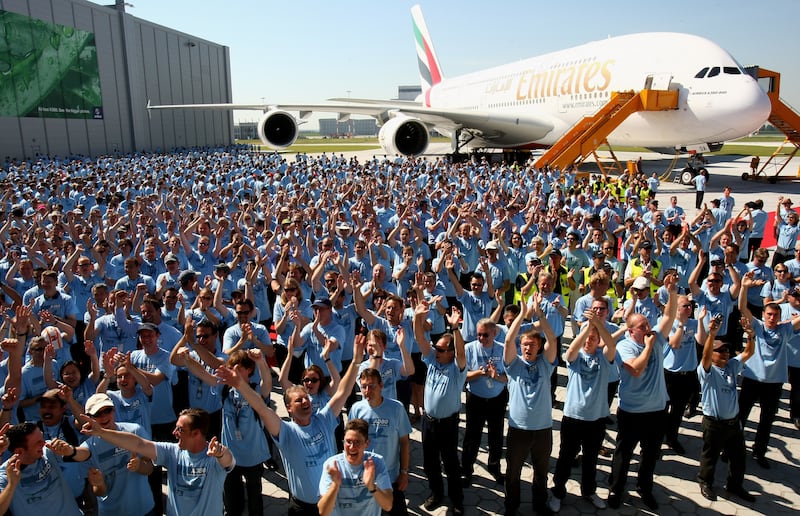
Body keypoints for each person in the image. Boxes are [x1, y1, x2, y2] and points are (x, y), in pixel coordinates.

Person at [215, 338, 365, 516]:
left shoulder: (324, 419)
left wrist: (356, 361)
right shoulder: (285, 431)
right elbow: (262, 409)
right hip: (302, 507)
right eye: (298, 399)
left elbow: (343, 391)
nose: (305, 400)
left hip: (333, 502)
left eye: (305, 398)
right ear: (289, 408)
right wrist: (239, 384)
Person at [607, 271, 678, 511]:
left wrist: (673, 291)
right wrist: (648, 348)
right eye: (643, 326)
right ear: (630, 330)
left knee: (649, 455)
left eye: (648, 324)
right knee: (623, 454)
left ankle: (644, 488)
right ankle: (616, 489)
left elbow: (669, 316)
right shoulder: (624, 347)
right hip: (632, 412)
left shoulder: (655, 337)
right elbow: (635, 370)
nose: (649, 328)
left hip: (657, 411)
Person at [81, 407, 235, 516]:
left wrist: (221, 454)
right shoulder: (172, 452)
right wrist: (101, 432)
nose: (174, 433)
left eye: (180, 429)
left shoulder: (214, 457)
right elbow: (139, 444)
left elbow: (228, 460)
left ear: (196, 433)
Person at [549, 308, 617, 512]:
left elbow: (611, 344)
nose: (589, 341)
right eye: (586, 338)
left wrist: (598, 324)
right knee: (565, 457)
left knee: (591, 458)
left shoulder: (604, 357)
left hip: (596, 418)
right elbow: (570, 352)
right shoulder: (575, 357)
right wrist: (588, 327)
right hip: (573, 416)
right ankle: (557, 492)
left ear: (599, 341)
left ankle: (588, 490)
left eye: (593, 338)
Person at [502, 294, 558, 516]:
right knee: (513, 473)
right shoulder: (513, 365)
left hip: (543, 428)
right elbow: (508, 340)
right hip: (519, 429)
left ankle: (539, 504)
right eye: (525, 344)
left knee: (541, 472)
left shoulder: (546, 364)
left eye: (532, 345)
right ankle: (511, 507)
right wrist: (524, 313)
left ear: (539, 347)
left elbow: (553, 340)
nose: (528, 348)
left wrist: (540, 314)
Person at [737, 271, 800, 469]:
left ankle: (759, 452)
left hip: (773, 384)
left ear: (781, 317)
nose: (772, 318)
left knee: (766, 421)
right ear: (763, 315)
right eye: (769, 314)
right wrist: (745, 287)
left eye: (775, 315)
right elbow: (742, 307)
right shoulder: (757, 326)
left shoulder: (785, 330)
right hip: (752, 379)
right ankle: (732, 449)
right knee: (740, 417)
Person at [412, 302, 466, 516]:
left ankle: (457, 500)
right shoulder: (432, 361)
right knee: (430, 462)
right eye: (437, 348)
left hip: (448, 424)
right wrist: (417, 317)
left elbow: (462, 354)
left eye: (442, 350)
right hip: (429, 421)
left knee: (451, 464)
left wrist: (455, 328)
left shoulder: (457, 368)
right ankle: (436, 493)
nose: (437, 352)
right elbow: (420, 339)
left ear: (451, 353)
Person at [696, 316, 756, 503]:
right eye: (720, 351)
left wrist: (751, 336)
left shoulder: (731, 366)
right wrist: (712, 334)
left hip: (733, 423)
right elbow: (705, 356)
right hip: (714, 423)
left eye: (727, 350)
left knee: (739, 457)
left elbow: (748, 353)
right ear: (712, 354)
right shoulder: (707, 371)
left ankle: (735, 485)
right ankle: (705, 482)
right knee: (710, 457)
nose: (725, 353)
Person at [78, 393, 156, 516]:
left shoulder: (135, 431)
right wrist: (99, 484)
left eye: (107, 411)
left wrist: (140, 466)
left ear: (114, 410)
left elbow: (150, 469)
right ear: (89, 417)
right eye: (98, 414)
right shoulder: (87, 449)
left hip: (143, 509)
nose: (104, 417)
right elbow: (100, 492)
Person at [349, 368, 412, 515]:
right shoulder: (356, 409)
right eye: (364, 386)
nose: (367, 390)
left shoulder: (396, 408)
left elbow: (404, 442)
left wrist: (404, 472)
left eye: (372, 386)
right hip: (365, 477)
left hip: (391, 478)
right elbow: (350, 443)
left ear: (381, 386)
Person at [461, 317, 508, 486]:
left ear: (495, 333)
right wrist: (479, 374)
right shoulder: (469, 349)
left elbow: (509, 378)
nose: (481, 338)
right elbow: (462, 375)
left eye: (485, 335)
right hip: (476, 398)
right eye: (479, 335)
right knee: (472, 435)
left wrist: (496, 376)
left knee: (496, 434)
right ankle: (466, 470)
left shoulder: (503, 350)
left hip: (497, 398)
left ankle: (494, 466)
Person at [0, 422, 83, 515]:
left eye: (42, 438)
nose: (43, 443)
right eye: (38, 443)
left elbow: (86, 455)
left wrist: (72, 451)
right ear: (20, 451)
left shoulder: (48, 451)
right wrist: (11, 485)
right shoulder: (6, 475)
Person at [318, 418, 393, 516]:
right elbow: (323, 511)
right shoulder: (332, 465)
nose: (352, 447)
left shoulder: (376, 462)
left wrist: (371, 486)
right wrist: (335, 485)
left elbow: (387, 505)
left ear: (367, 443)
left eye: (357, 442)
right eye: (348, 442)